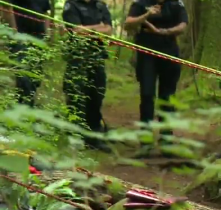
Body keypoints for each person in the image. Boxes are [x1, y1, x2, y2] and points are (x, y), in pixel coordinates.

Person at [124, 0, 187, 156]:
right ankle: (145, 142)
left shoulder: (176, 4)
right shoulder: (141, 3)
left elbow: (183, 25)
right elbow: (128, 23)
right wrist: (146, 15)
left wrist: (163, 32)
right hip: (146, 52)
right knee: (147, 95)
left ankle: (166, 141)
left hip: (169, 51)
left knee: (167, 97)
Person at [61, 0, 113, 151]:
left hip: (97, 57)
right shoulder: (72, 4)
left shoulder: (101, 6)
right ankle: (75, 136)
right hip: (77, 57)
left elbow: (109, 30)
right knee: (75, 96)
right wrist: (98, 28)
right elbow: (76, 31)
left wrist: (87, 29)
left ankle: (94, 137)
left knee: (96, 95)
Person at [1, 0, 51, 107]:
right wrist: (15, 36)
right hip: (21, 38)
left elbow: (45, 14)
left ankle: (29, 108)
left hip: (39, 39)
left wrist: (46, 36)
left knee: (35, 77)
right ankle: (23, 109)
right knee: (24, 78)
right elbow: (6, 8)